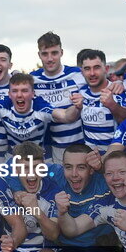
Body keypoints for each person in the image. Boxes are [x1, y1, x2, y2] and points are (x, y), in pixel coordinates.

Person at [0, 73, 82, 153]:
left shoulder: (40, 107)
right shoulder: (3, 105)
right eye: (15, 91)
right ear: (9, 94)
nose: (19, 95)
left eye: (24, 90)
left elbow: (66, 116)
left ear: (33, 94)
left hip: (39, 159)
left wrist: (77, 107)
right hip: (13, 160)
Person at [31, 32, 85, 162]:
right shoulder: (33, 79)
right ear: (39, 55)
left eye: (54, 53)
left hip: (81, 146)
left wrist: (117, 83)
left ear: (61, 52)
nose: (50, 59)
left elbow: (101, 85)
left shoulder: (77, 74)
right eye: (45, 54)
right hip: (51, 149)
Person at [76, 49, 126, 154]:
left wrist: (113, 105)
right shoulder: (81, 92)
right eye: (87, 69)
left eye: (96, 68)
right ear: (82, 72)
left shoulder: (117, 90)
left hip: (115, 157)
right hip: (90, 158)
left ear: (106, 69)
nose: (92, 73)